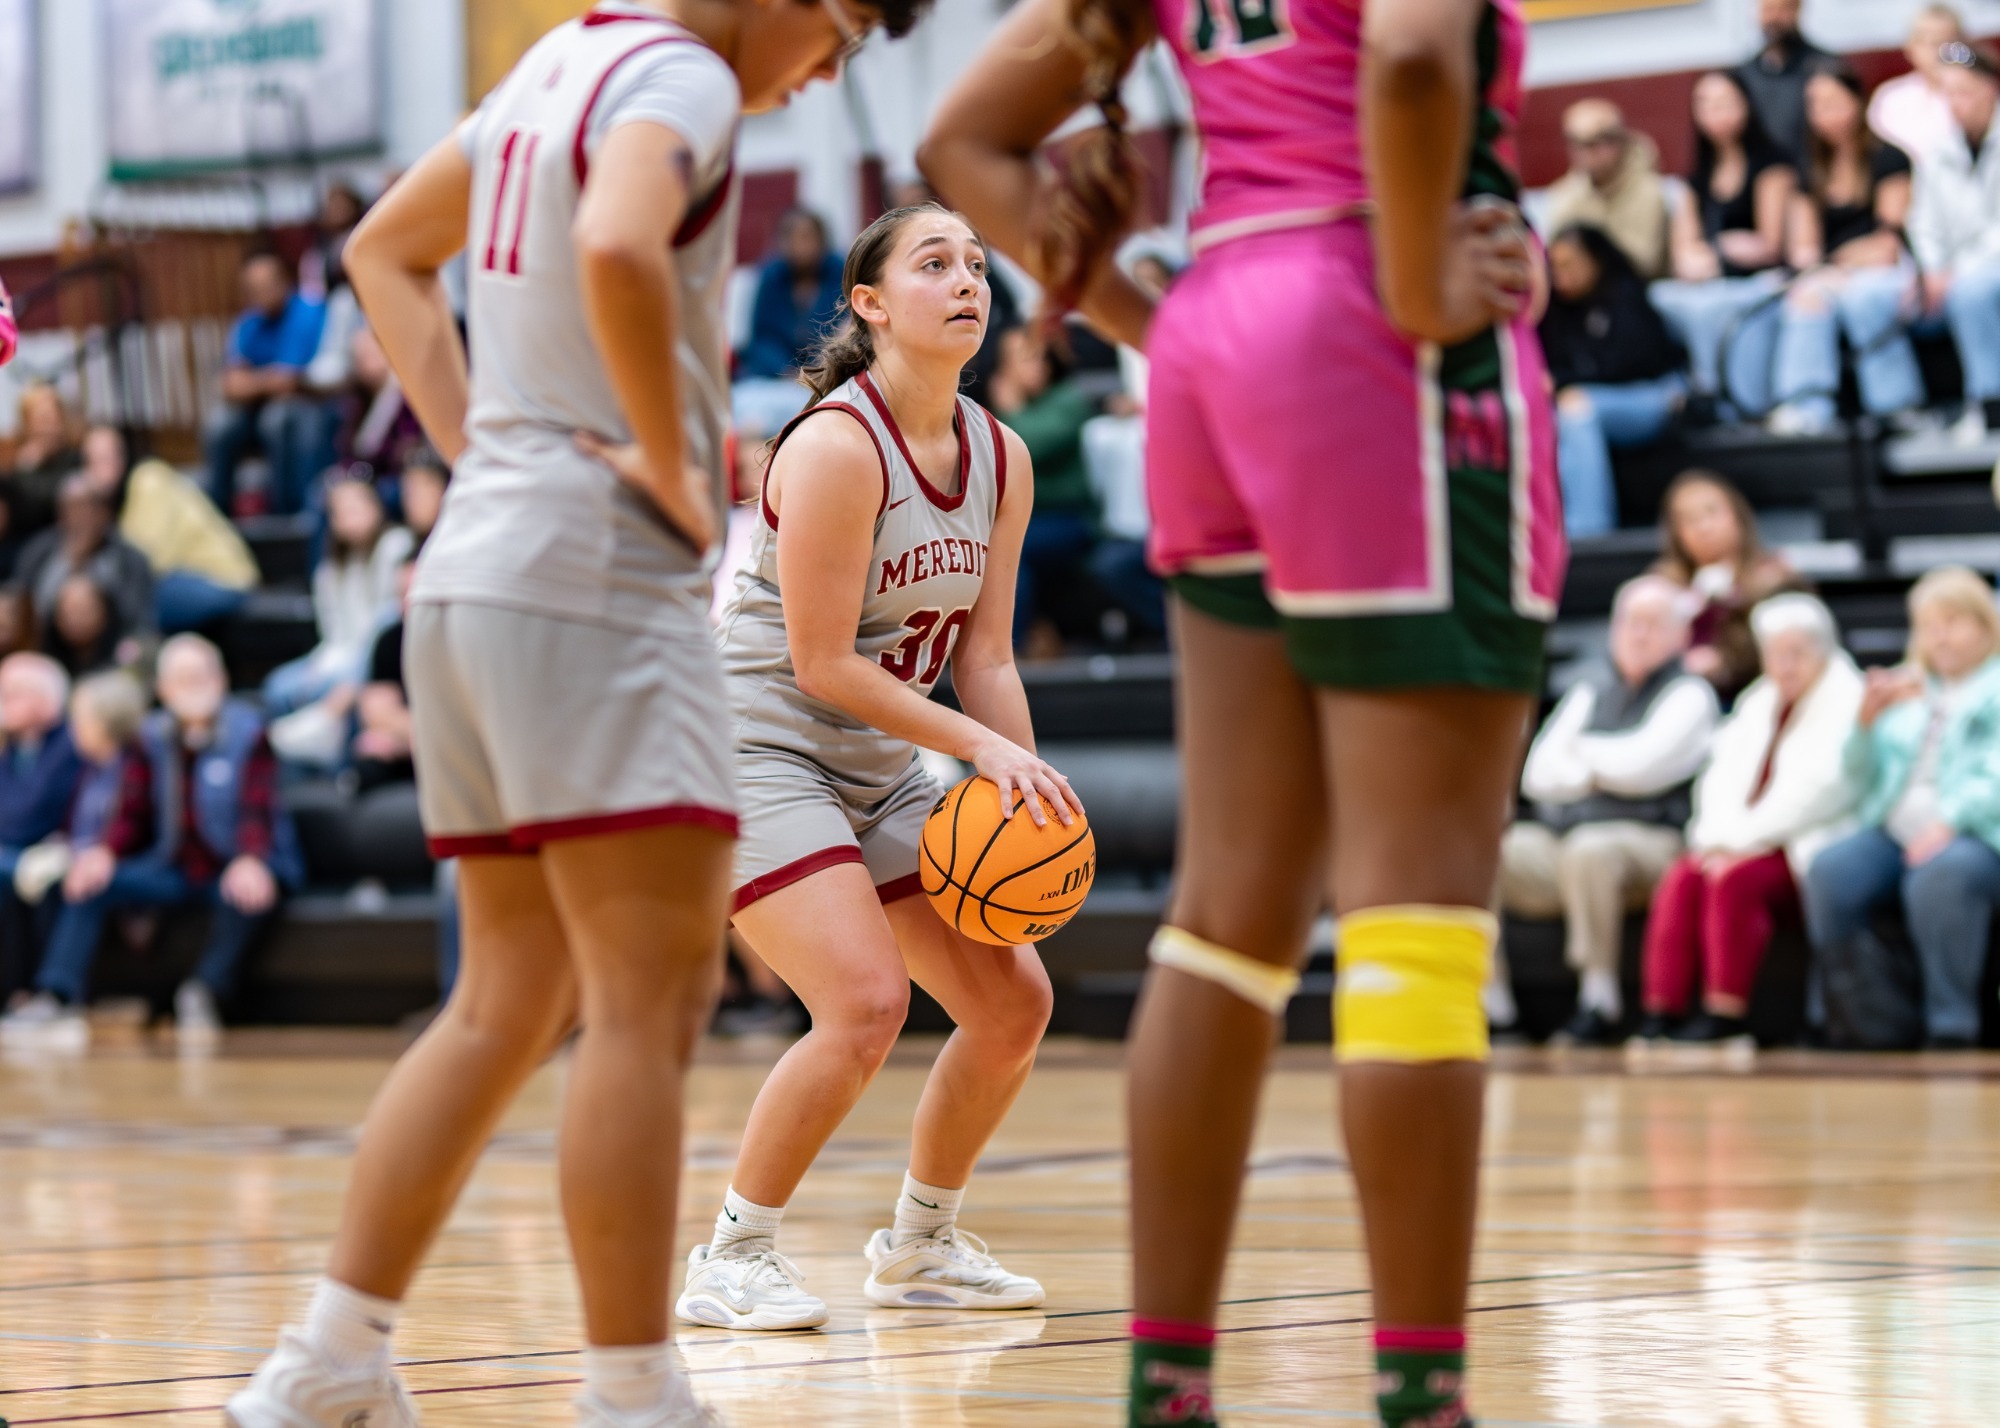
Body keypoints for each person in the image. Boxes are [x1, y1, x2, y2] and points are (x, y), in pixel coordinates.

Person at [226, 0, 921, 1422]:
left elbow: (383, 258)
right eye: (845, 29)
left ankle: (330, 1365)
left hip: (472, 575)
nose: (833, 68)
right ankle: (631, 1395)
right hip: (591, 581)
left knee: (507, 1001)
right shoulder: (687, 76)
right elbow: (614, 240)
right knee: (644, 1006)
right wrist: (674, 466)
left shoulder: (549, 64)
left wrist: (496, 444)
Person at [923, 1, 1562, 1425]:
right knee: (1417, 915)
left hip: (1217, 343)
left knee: (1229, 913)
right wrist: (1413, 282)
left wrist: (1173, 317)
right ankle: (1421, 1395)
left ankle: (1171, 1386)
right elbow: (1404, 50)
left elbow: (960, 138)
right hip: (1376, 346)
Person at [683, 203, 1066, 1333]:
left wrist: (1021, 789)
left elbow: (984, 653)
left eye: (978, 268)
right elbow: (820, 663)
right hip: (758, 742)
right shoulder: (838, 446)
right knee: (862, 1002)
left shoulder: (1002, 454)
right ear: (867, 303)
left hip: (878, 756)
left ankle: (922, 1246)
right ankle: (732, 1256)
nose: (966, 284)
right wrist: (978, 748)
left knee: (1010, 1003)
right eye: (933, 264)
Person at [4, 636, 299, 1047]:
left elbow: (258, 810)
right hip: (175, 866)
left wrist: (251, 858)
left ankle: (204, 993)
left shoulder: (249, 733)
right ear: (163, 689)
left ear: (222, 679)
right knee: (90, 882)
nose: (195, 685)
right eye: (182, 678)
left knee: (250, 892)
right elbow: (133, 809)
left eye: (203, 674)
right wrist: (105, 852)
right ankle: (57, 997)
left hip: (236, 863)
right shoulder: (151, 737)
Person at [1636, 593, 1861, 1047]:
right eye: (1776, 654)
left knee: (1733, 881)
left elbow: (1820, 792)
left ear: (1823, 651)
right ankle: (1661, 1012)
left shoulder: (1847, 698)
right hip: (1735, 839)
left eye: (1797, 654)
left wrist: (1737, 843)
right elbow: (1718, 778)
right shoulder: (1757, 700)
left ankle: (1726, 1016)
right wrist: (1712, 840)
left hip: (1802, 843)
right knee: (1683, 877)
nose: (1785, 666)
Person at [1500, 577, 1718, 1045]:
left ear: (1682, 635)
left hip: (1654, 842)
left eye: (1653, 624)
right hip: (1566, 838)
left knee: (1590, 850)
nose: (1639, 634)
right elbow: (1538, 774)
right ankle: (1494, 1009)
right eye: (1630, 622)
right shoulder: (1589, 689)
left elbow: (1641, 769)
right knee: (1488, 850)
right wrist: (1602, 766)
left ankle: (1598, 1000)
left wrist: (1581, 757)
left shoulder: (1691, 693)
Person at [1804, 567, 2000, 1051]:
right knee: (1829, 870)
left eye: (1953, 621)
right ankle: (1868, 1020)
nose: (1941, 636)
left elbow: (1994, 776)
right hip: (1895, 830)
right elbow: (1857, 778)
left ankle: (1952, 1021)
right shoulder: (1909, 693)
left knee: (1942, 874)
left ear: (1985, 625)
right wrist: (1865, 725)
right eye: (1929, 624)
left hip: (1976, 833)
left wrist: (1949, 822)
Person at [1768, 65, 1923, 437]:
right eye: (1816, 104)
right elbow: (1804, 249)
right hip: (1831, 274)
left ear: (1858, 102)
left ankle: (1896, 406)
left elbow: (1887, 243)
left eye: (1834, 102)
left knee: (1864, 296)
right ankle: (1806, 405)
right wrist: (1822, 268)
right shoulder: (1808, 170)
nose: (1825, 113)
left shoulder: (1889, 158)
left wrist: (1837, 263)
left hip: (1887, 272)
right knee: (1805, 298)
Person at [0, 670, 148, 1039]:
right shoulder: (92, 769)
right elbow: (73, 825)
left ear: (105, 721)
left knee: (69, 883)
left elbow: (132, 823)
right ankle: (27, 994)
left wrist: (99, 852)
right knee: (37, 880)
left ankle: (58, 996)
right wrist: (61, 846)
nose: (74, 727)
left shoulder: (132, 765)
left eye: (81, 718)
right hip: (78, 856)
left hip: (125, 864)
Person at [1650, 70, 1798, 420]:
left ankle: (1727, 401)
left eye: (1724, 103)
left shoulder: (1771, 166)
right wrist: (1701, 257)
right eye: (1705, 104)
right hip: (1712, 278)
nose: (1715, 113)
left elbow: (1769, 244)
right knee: (1661, 298)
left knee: (1711, 309)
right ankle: (1689, 396)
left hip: (1762, 279)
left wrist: (1716, 252)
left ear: (1746, 105)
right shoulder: (1695, 178)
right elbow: (1684, 248)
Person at [1541, 225, 1686, 536]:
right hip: (1593, 402)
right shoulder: (1555, 312)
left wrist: (1562, 381)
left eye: (1570, 265)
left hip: (1653, 395)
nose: (1561, 276)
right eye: (1554, 267)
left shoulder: (1625, 297)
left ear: (1596, 260)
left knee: (1576, 408)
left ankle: (1589, 532)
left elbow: (1631, 366)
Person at [982, 324, 1103, 647]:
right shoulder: (987, 410)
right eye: (1020, 358)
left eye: (1037, 357)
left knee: (1007, 549)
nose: (1034, 365)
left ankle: (1007, 649)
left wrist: (1012, 407)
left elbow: (1025, 448)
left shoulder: (1067, 400)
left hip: (1069, 519)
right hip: (1023, 519)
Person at [79, 425, 260, 634]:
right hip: (183, 580)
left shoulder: (149, 479)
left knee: (132, 604)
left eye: (109, 456)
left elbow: (148, 561)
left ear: (125, 455)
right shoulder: (110, 506)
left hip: (220, 581)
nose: (102, 468)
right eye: (92, 461)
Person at [1908, 39, 2000, 447]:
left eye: (1963, 92)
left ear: (1989, 89)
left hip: (1986, 264)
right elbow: (1923, 224)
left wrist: (1957, 271)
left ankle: (1988, 403)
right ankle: (1902, 412)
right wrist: (1931, 269)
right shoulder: (1938, 150)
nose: (1955, 104)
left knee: (1971, 293)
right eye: (1948, 94)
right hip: (1955, 267)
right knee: (1880, 300)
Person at [262, 474, 413, 717]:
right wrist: (319, 669)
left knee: (383, 623)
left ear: (375, 505)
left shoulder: (395, 546)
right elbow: (333, 633)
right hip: (341, 658)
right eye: (340, 510)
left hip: (380, 656)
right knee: (277, 687)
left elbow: (388, 622)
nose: (349, 515)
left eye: (356, 506)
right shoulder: (329, 569)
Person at [1653, 469, 1805, 701]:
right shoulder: (1661, 587)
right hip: (1676, 698)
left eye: (1711, 513)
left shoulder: (1775, 580)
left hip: (1756, 696)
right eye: (1690, 520)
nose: (1704, 527)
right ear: (1676, 534)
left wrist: (1724, 663)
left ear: (1737, 515)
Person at [203, 251, 328, 516]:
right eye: (254, 288)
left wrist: (253, 381)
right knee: (219, 424)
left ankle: (285, 515)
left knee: (277, 419)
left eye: (268, 283)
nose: (263, 292)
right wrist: (265, 381)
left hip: (309, 406)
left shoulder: (308, 312)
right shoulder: (249, 324)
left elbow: (288, 382)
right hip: (256, 411)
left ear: (286, 281)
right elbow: (230, 385)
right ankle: (219, 516)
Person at [0, 653, 82, 1003]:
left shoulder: (71, 743)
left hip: (53, 850)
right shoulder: (11, 747)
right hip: (13, 855)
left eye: (13, 692)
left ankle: (36, 994)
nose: (2, 701)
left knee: (37, 880)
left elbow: (26, 813)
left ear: (49, 702)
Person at [732, 206, 846, 442]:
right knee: (743, 407)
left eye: (806, 236)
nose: (800, 246)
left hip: (829, 376)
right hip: (778, 377)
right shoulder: (770, 277)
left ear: (822, 239)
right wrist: (785, 370)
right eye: (791, 237)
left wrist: (819, 370)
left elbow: (848, 331)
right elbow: (760, 337)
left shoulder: (842, 273)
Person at [16, 474, 156, 661]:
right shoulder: (39, 552)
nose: (78, 517)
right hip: (48, 654)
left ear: (105, 513)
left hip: (112, 655)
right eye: (70, 509)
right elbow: (26, 612)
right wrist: (69, 564)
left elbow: (137, 620)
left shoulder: (130, 559)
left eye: (87, 508)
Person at [1541, 98, 1674, 280]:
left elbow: (1645, 263)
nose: (1584, 154)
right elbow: (1553, 255)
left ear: (1617, 142)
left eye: (1593, 143)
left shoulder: (1648, 192)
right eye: (1575, 143)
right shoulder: (1565, 194)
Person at [1733, 0, 1834, 171]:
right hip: (1762, 176)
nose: (1774, 17)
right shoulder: (1744, 74)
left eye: (1782, 9)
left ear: (1798, 10)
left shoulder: (1825, 68)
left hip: (1814, 173)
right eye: (1768, 9)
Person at [1870, 5, 1966, 160]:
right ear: (1910, 48)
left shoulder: (1978, 94)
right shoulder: (1890, 97)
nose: (1936, 49)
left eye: (1944, 40)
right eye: (1925, 41)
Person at [8, 382, 80, 540]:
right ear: (27, 426)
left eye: (55, 419)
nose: (50, 428)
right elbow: (19, 517)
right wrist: (25, 467)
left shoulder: (75, 460)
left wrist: (28, 470)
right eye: (43, 420)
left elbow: (54, 507)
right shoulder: (18, 465)